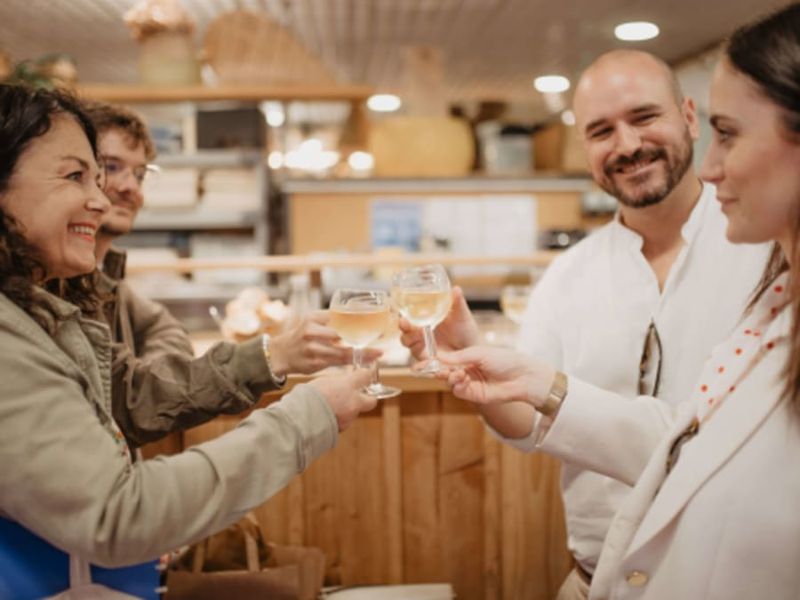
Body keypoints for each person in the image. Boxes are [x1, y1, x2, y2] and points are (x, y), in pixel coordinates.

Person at [436, 3, 800, 598]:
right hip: (598, 577)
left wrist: (543, 385)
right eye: (602, 131)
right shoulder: (570, 275)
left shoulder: (766, 255)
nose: (627, 145)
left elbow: (692, 448)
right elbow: (679, 436)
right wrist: (487, 367)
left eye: (644, 117)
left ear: (688, 117)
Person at [0, 83, 376, 596]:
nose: (103, 195)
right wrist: (309, 414)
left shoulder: (43, 302)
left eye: (117, 174)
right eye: (77, 175)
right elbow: (118, 514)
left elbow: (131, 383)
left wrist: (273, 356)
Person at [82, 101, 367, 449]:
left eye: (140, 174)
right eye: (112, 167)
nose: (130, 187)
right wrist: (273, 354)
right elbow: (133, 400)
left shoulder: (104, 274)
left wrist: (154, 373)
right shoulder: (57, 280)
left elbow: (162, 328)